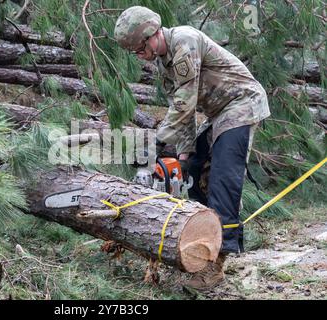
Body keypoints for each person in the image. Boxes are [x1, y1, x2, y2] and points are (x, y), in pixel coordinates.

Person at [114, 6, 270, 290]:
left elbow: (184, 104)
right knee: (196, 174)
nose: (139, 56)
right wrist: (184, 154)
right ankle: (201, 247)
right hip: (217, 113)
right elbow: (181, 109)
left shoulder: (184, 41)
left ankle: (216, 265)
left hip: (242, 104)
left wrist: (159, 142)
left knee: (222, 179)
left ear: (151, 36)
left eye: (138, 50)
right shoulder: (164, 64)